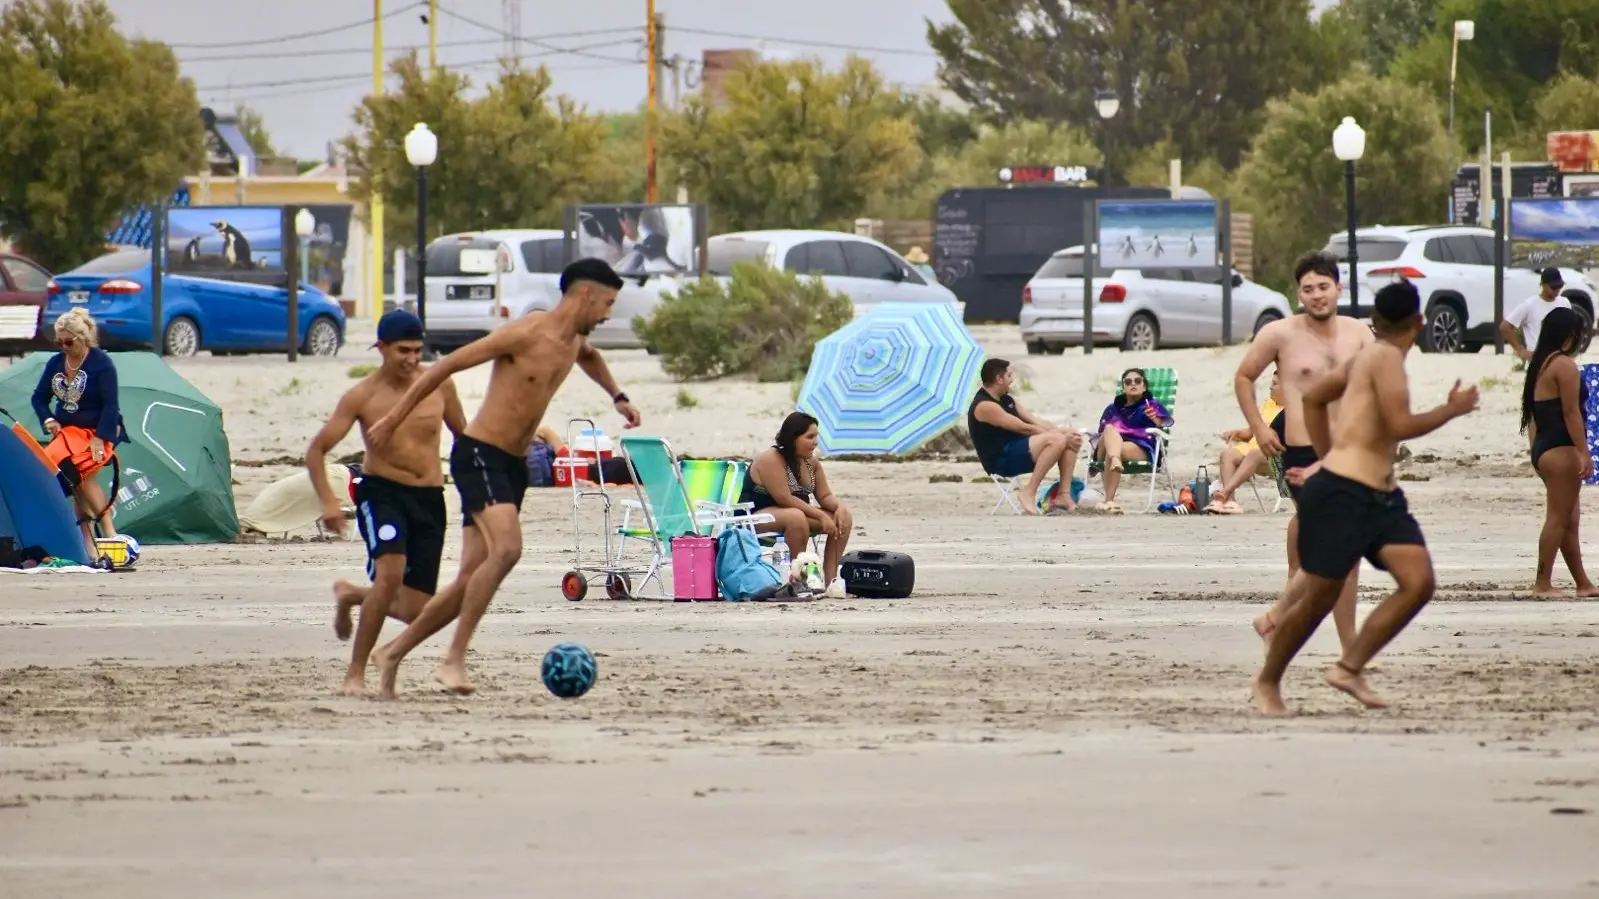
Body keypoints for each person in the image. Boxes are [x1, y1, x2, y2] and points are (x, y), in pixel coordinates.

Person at [364, 258, 642, 699]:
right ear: (585, 295)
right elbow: (445, 366)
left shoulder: (575, 341)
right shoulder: (526, 333)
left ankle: (393, 651)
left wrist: (618, 397)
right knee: (508, 549)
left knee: (470, 579)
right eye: (607, 302)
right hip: (479, 456)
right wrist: (394, 418)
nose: (608, 313)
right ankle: (453, 659)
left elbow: (592, 358)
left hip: (513, 466)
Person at [1252, 281, 1478, 716]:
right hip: (1343, 493)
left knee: (1418, 582)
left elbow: (1314, 397)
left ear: (1375, 322)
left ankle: (1348, 667)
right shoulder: (1385, 357)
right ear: (1420, 323)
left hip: (1380, 495)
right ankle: (1267, 683)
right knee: (1320, 597)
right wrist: (1452, 409)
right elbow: (1399, 424)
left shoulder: (1367, 357)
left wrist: (1326, 454)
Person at [304, 309, 467, 697]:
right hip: (383, 494)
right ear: (381, 347)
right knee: (390, 573)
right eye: (402, 351)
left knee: (414, 610)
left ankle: (352, 595)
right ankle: (355, 675)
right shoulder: (362, 396)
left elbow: (464, 436)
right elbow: (316, 451)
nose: (412, 359)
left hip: (430, 498)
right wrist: (328, 502)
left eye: (417, 349)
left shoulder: (439, 385)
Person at [1233, 251, 1375, 651]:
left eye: (1323, 287)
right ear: (1298, 293)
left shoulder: (1360, 334)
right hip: (1304, 454)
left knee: (1344, 554)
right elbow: (1244, 376)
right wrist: (1259, 428)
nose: (1316, 295)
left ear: (1338, 289)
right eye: (1307, 289)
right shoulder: (1280, 334)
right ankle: (1343, 643)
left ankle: (1279, 620)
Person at [30, 308, 125, 556]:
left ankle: (108, 531)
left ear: (83, 338)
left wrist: (99, 438)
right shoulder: (55, 363)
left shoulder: (102, 364)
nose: (63, 346)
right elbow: (39, 398)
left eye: (68, 342)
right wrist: (49, 418)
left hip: (98, 429)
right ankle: (88, 540)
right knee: (65, 476)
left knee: (81, 473)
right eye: (58, 342)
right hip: (67, 432)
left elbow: (111, 405)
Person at [1519, 306, 1599, 597]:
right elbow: (1571, 413)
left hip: (1544, 448)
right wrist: (1583, 453)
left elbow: (1533, 416)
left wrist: (1536, 454)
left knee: (1569, 518)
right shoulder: (1564, 365)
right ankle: (1542, 584)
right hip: (1561, 448)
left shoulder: (1541, 362)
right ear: (1571, 335)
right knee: (1558, 517)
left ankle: (1583, 584)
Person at [741, 411, 853, 595]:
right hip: (755, 516)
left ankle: (830, 582)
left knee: (844, 517)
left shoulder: (811, 463)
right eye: (809, 437)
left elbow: (824, 496)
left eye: (816, 436)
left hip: (794, 514)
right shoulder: (772, 458)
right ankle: (797, 580)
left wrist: (839, 508)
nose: (815, 442)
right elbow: (784, 498)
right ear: (793, 438)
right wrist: (819, 515)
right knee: (796, 517)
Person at [968, 358, 1082, 515]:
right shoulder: (984, 406)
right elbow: (1023, 428)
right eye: (1009, 375)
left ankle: (1064, 495)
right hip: (1001, 459)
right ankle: (1028, 492)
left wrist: (1063, 431)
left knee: (1070, 435)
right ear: (999, 379)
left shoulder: (1007, 399)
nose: (1012, 380)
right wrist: (1058, 435)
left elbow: (1034, 420)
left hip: (1019, 448)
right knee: (1058, 439)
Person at [1090, 367, 1174, 514]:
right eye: (1128, 382)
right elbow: (1101, 432)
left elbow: (1163, 424)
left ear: (1144, 386)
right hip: (1108, 446)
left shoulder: (1151, 405)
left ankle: (1109, 501)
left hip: (1139, 447)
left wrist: (1155, 419)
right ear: (1123, 387)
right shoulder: (1112, 408)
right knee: (1110, 430)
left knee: (1114, 449)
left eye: (1137, 381)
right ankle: (1115, 458)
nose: (1132, 384)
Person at [1205, 370, 1285, 514]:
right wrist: (1236, 433)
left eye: (1275, 384)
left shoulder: (1295, 410)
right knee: (1227, 454)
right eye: (1271, 383)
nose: (1270, 387)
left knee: (1254, 454)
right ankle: (1230, 502)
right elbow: (1251, 433)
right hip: (1254, 453)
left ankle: (1223, 494)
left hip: (1277, 458)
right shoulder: (1269, 404)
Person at [1501, 268, 1572, 361]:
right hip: (1538, 361)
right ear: (1543, 285)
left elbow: (1571, 328)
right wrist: (1520, 349)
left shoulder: (1564, 302)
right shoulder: (1529, 305)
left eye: (1559, 286)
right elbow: (1505, 326)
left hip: (1559, 359)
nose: (1557, 290)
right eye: (1553, 287)